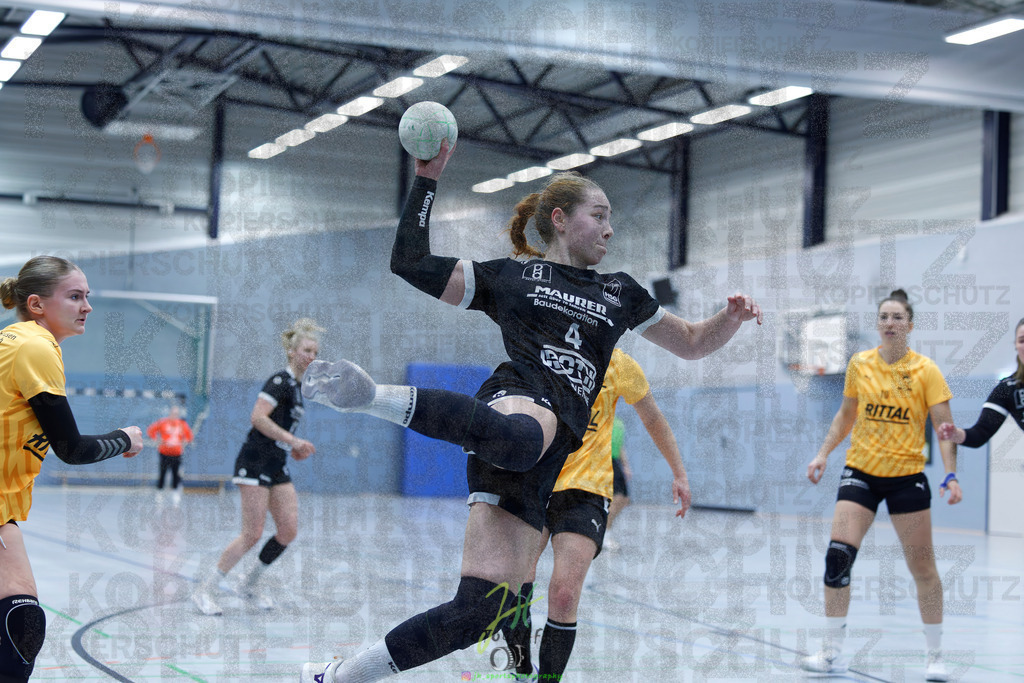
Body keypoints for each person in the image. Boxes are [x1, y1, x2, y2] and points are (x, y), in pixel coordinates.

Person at [299, 138, 761, 683]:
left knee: (480, 612)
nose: (610, 229)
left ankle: (336, 676)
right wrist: (426, 179)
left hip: (547, 457)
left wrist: (729, 319)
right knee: (520, 438)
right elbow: (411, 263)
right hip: (517, 401)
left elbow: (692, 342)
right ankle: (371, 396)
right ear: (560, 219)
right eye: (599, 215)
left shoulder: (621, 293)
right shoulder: (514, 278)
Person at [499, 347, 691, 680]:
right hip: (535, 482)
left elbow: (653, 417)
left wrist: (679, 473)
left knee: (564, 594)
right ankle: (521, 670)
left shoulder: (619, 364)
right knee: (514, 583)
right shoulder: (538, 348)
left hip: (586, 489)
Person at [802, 289, 961, 682]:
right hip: (862, 472)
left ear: (910, 324)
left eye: (897, 317)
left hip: (907, 478)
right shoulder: (860, 364)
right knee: (838, 557)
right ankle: (831, 651)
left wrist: (950, 474)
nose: (890, 323)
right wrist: (822, 453)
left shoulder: (926, 370)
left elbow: (944, 429)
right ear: (877, 324)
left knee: (923, 568)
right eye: (884, 317)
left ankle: (936, 656)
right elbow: (846, 415)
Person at [0, 255, 144, 682]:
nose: (87, 306)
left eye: (87, 296)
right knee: (21, 624)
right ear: (37, 304)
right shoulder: (35, 346)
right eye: (75, 296)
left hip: (3, 506)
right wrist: (125, 438)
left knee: (21, 620)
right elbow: (71, 448)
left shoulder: (16, 340)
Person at [192, 318, 321, 616]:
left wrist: (292, 447)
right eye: (306, 351)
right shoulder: (279, 381)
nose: (311, 357)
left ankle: (248, 584)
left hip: (277, 464)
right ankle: (204, 590)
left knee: (287, 530)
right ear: (291, 351)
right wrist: (293, 439)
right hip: (254, 461)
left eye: (315, 352)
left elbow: (279, 429)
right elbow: (258, 417)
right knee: (252, 533)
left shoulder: (298, 388)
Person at [937, 316, 1024, 447]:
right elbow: (980, 433)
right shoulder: (1008, 388)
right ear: (1016, 346)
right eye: (1022, 341)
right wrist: (955, 434)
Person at [148, 404, 193, 495]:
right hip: (164, 452)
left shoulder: (182, 424)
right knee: (163, 472)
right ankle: (159, 492)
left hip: (176, 453)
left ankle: (175, 492)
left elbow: (189, 436)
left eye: (176, 414)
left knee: (175, 473)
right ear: (170, 413)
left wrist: (184, 442)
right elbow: (151, 430)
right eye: (173, 413)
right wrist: (157, 439)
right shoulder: (163, 422)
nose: (174, 416)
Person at [601, 415, 631, 552]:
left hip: (614, 461)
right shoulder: (601, 417)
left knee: (623, 499)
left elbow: (621, 446)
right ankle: (604, 535)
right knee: (617, 497)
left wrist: (625, 465)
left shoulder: (618, 422)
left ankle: (604, 532)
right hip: (603, 460)